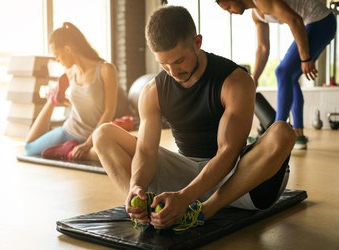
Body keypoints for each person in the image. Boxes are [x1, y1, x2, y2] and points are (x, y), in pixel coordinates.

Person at [92, 5, 295, 232]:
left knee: (283, 132)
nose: (173, 72)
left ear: (197, 42)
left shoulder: (235, 81)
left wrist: (186, 197)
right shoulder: (152, 91)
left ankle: (205, 210)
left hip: (236, 179)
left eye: (179, 61)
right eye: (164, 64)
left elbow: (227, 153)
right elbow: (146, 151)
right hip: (185, 173)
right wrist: (136, 185)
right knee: (102, 134)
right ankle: (141, 209)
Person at [215, 0, 337, 150]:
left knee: (282, 72)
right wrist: (255, 77)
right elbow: (263, 48)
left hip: (320, 21)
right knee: (290, 77)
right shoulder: (256, 15)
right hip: (316, 23)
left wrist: (305, 58)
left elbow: (294, 20)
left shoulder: (261, 1)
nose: (231, 12)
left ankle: (275, 133)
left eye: (229, 7)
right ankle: (298, 134)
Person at [24, 22, 119, 161]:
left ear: (68, 49)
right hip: (70, 131)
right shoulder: (70, 73)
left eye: (57, 55)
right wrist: (55, 98)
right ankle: (71, 150)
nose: (57, 60)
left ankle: (70, 151)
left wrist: (88, 144)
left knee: (109, 156)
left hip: (94, 137)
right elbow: (81, 103)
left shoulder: (106, 70)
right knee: (29, 148)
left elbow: (109, 111)